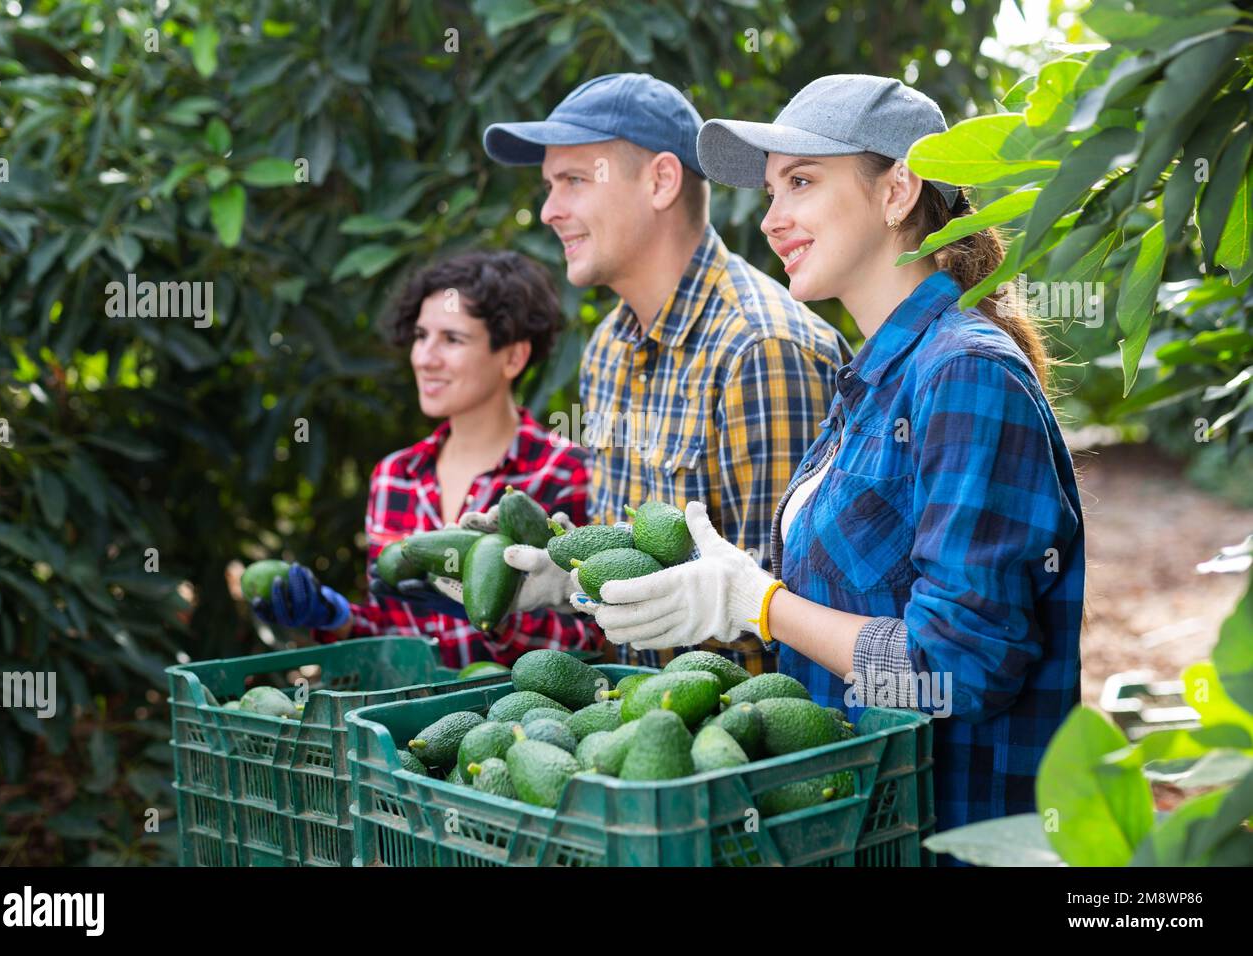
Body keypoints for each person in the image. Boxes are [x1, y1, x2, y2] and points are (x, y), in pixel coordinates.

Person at [579, 75, 1085, 851]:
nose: (774, 220)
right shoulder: (875, 379)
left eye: (803, 183)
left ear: (897, 193)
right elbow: (856, 595)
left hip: (946, 837)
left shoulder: (965, 373)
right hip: (859, 830)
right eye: (772, 190)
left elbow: (958, 673)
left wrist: (760, 605)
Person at [460, 73, 850, 676]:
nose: (548, 209)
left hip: (737, 753)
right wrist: (565, 574)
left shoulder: (761, 348)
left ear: (662, 181)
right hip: (630, 730)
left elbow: (797, 612)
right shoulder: (608, 348)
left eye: (573, 181)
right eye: (548, 186)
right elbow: (625, 555)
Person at [251, 250, 601, 668]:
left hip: (519, 729)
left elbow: (591, 640)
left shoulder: (566, 471)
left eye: (451, 339)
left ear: (513, 357)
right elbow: (392, 639)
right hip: (411, 730)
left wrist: (494, 618)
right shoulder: (394, 477)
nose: (423, 357)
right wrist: (333, 617)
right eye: (420, 336)